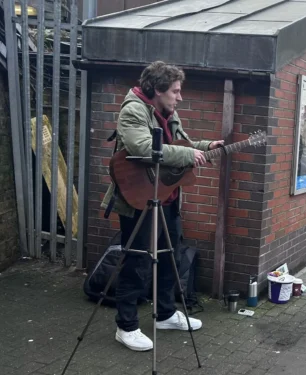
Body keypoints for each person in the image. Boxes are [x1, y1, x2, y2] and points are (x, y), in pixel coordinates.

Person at [101, 61, 224, 351]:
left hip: (167, 195)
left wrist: (207, 147)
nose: (180, 97)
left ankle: (165, 314)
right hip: (139, 198)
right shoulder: (133, 110)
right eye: (175, 91)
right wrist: (189, 154)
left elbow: (183, 146)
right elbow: (143, 147)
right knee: (139, 260)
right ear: (157, 89)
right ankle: (126, 326)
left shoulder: (169, 112)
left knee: (173, 256)